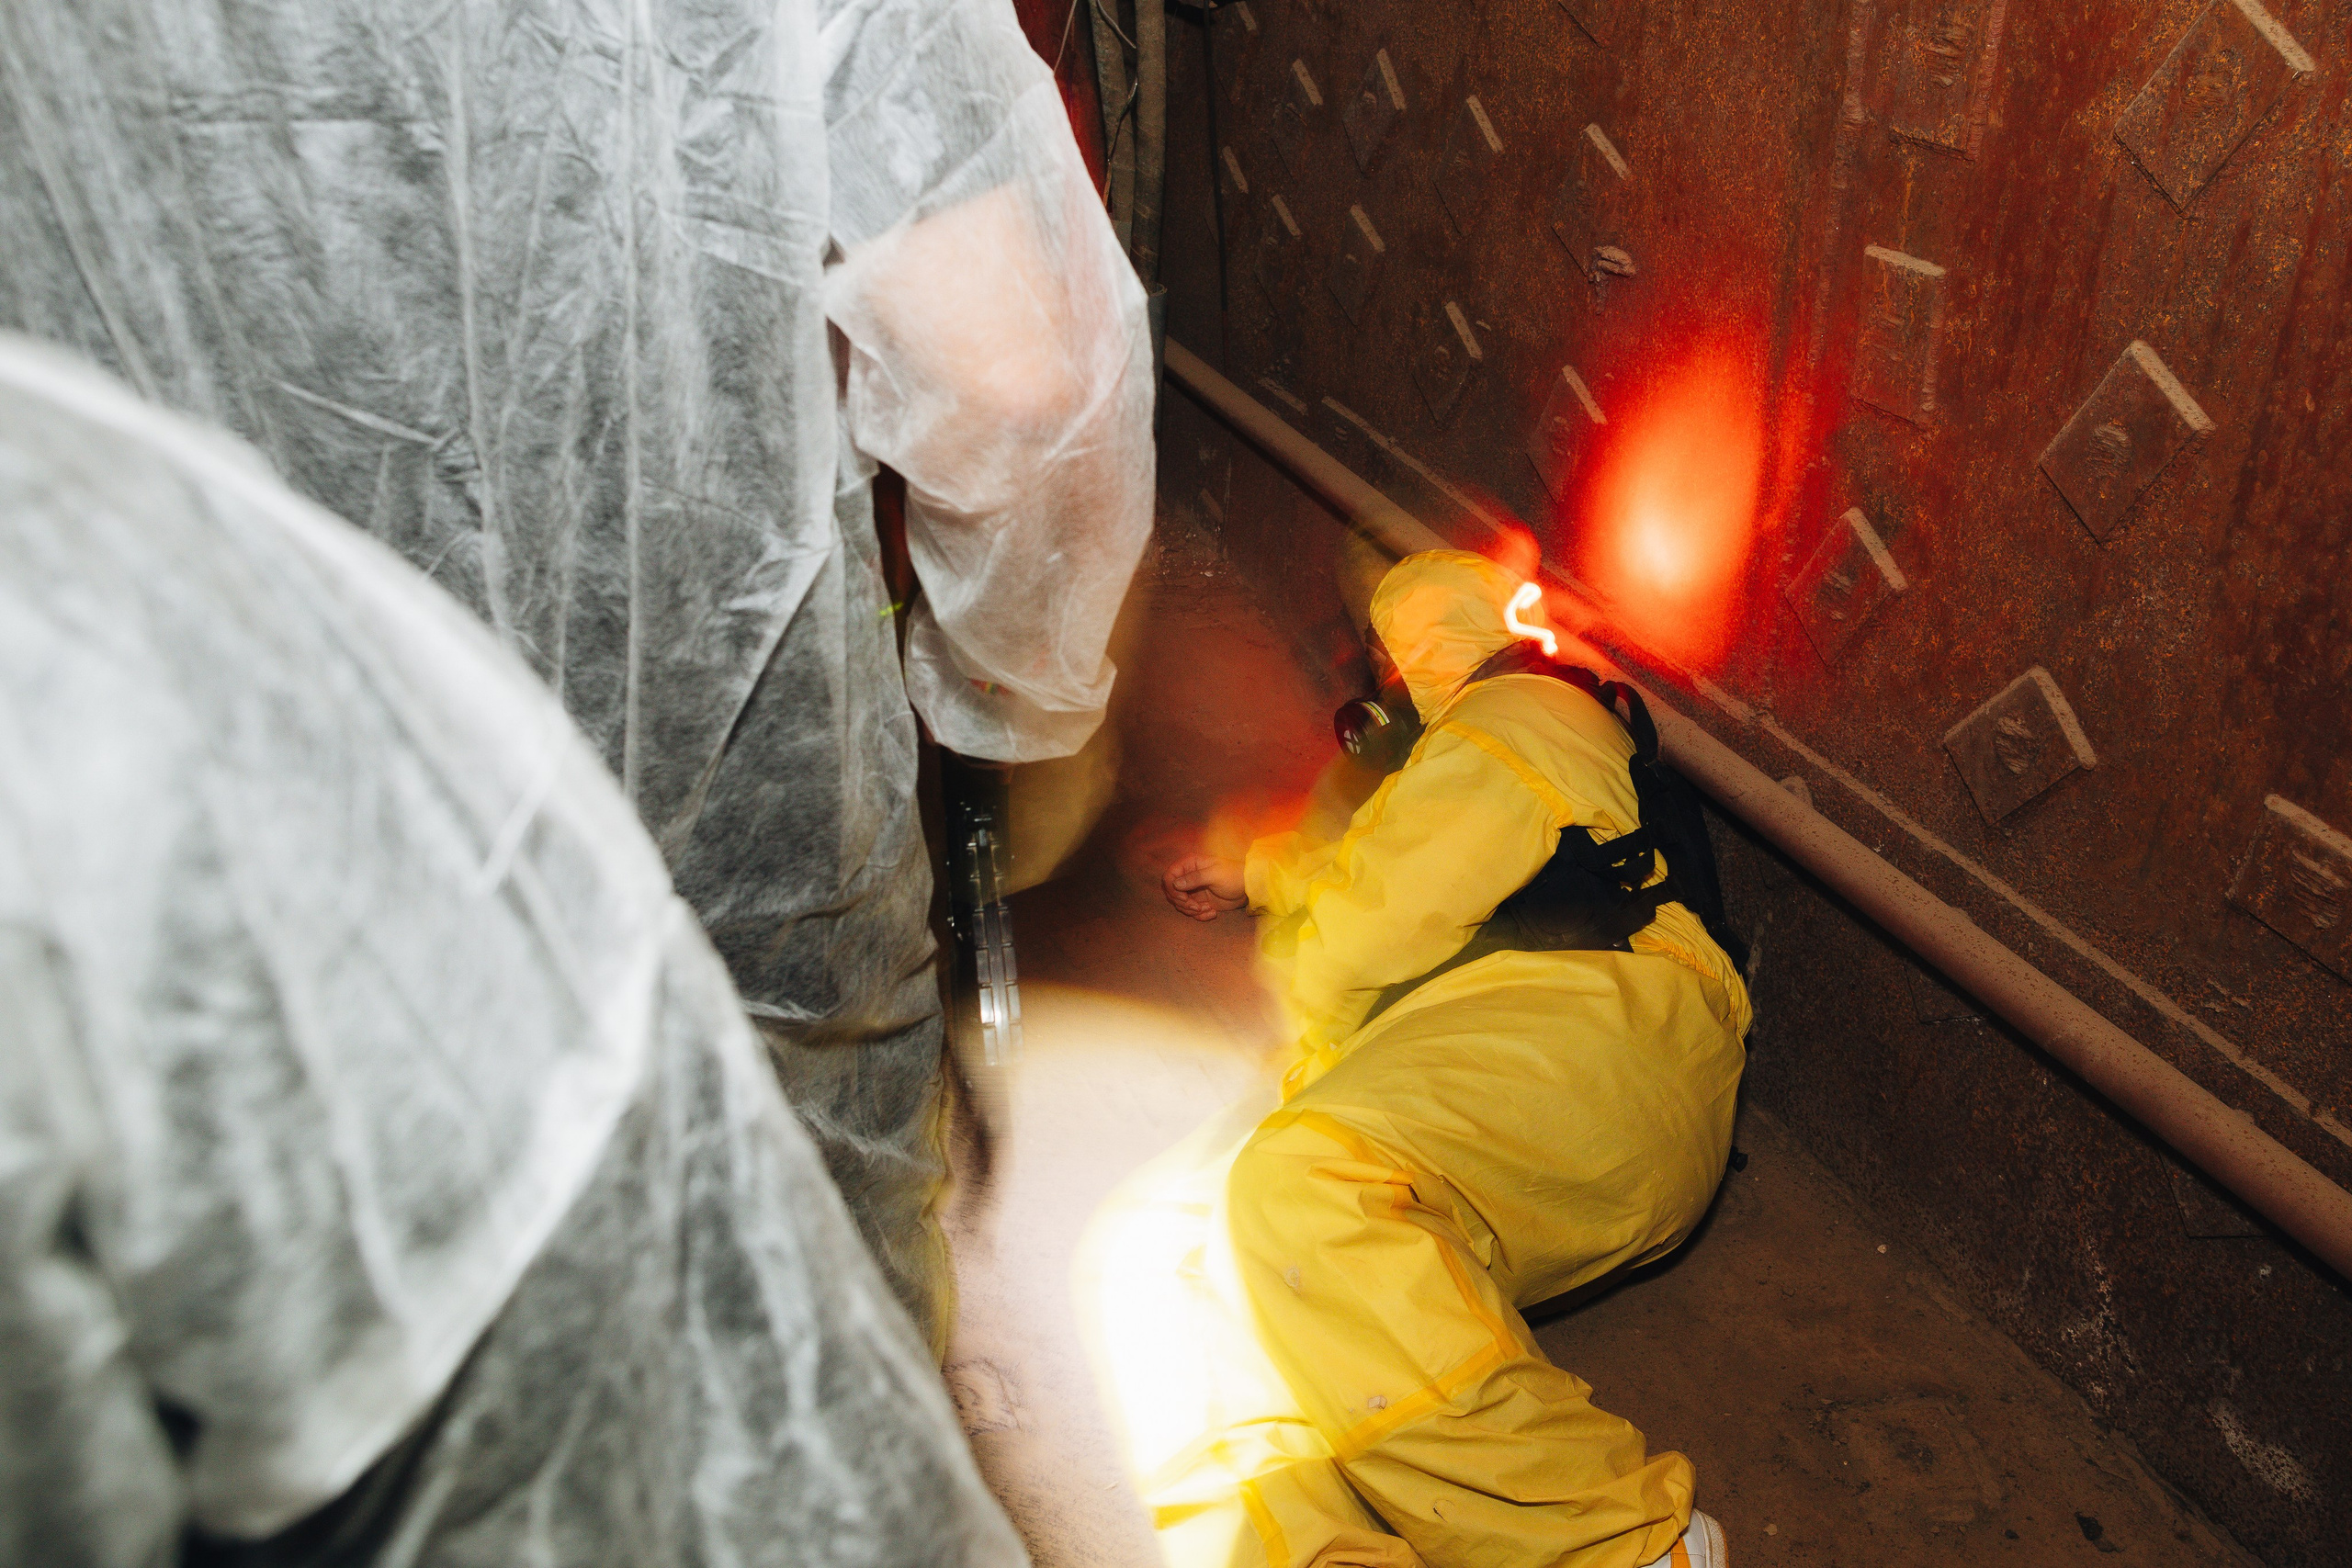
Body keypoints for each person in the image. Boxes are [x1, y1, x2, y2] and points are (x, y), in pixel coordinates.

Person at [0, 0, 1153, 1349]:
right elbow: (1017, 370)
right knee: (787, 1340)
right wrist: (1007, 686)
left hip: (206, 839)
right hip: (729, 811)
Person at [0, 333, 1024, 1567]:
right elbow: (1015, 360)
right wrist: (1002, 684)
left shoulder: (68, 474)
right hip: (689, 713)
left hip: (362, 813)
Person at [1148, 549, 1749, 1568]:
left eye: (1385, 666)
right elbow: (1393, 857)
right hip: (1571, 1103)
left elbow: (1376, 918)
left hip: (1600, 1036)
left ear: (1421, 651)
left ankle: (1621, 1545)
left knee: (1302, 1183)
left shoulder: (1519, 715)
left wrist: (1303, 1045)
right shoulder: (1516, 753)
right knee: (1233, 1256)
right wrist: (1256, 868)